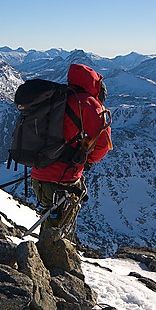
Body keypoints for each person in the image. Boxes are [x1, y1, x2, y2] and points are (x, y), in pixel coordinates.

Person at [30, 63, 111, 235]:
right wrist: (86, 159)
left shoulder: (57, 96)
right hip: (64, 178)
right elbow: (103, 145)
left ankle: (40, 256)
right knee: (59, 231)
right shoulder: (90, 105)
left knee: (51, 219)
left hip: (38, 175)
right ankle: (47, 259)